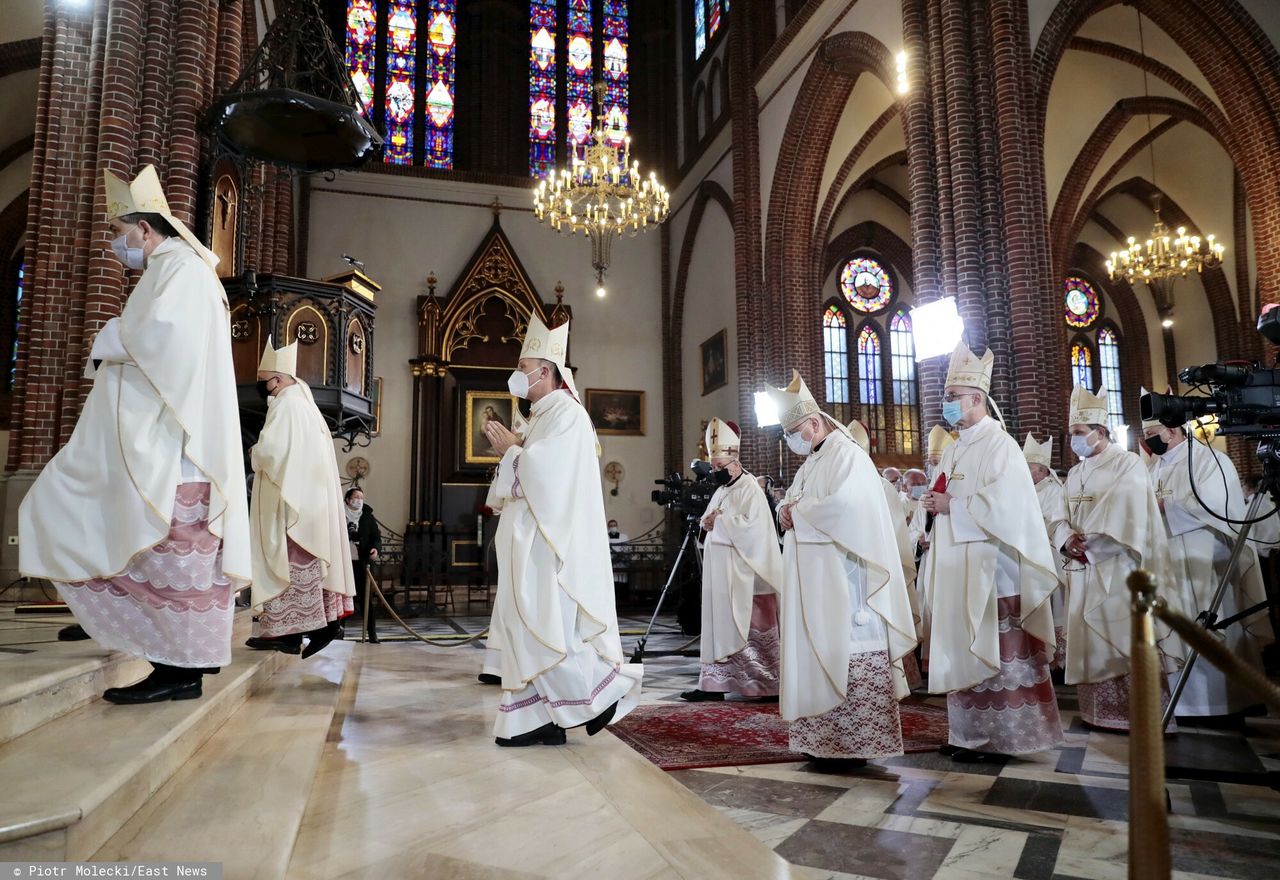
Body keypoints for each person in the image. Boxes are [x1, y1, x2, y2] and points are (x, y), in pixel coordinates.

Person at [19, 165, 251, 703]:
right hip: (165, 443)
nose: (115, 247)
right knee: (96, 524)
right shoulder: (176, 270)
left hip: (174, 448)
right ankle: (162, 655)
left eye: (120, 235)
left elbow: (163, 342)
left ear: (145, 230)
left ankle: (180, 670)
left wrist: (109, 336)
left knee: (169, 553)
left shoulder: (181, 271)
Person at [481, 314, 642, 747]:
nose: (517, 375)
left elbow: (549, 477)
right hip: (530, 539)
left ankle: (599, 693)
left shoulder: (567, 415)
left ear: (545, 371)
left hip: (549, 544)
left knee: (545, 628)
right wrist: (514, 451)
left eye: (522, 367)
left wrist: (513, 452)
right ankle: (538, 718)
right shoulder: (540, 417)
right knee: (529, 627)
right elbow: (522, 476)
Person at [915, 344, 1062, 762]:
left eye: (952, 397)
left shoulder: (1001, 445)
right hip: (960, 566)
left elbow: (1010, 505)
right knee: (965, 647)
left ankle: (1006, 738)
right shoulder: (958, 447)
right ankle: (968, 734)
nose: (945, 406)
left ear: (977, 399)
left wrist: (954, 508)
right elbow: (948, 493)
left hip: (994, 571)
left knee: (999, 652)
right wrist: (934, 501)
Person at [767, 370, 917, 770]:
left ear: (815, 423)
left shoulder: (847, 454)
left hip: (846, 584)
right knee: (818, 648)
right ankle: (822, 741)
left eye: (796, 431)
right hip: (816, 581)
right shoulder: (814, 459)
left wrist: (797, 512)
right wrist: (785, 510)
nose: (792, 441)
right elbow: (796, 503)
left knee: (846, 648)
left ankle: (853, 746)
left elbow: (848, 509)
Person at [1049, 386, 1182, 732]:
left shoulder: (1128, 464)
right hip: (1083, 569)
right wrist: (1066, 539)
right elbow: (1058, 515)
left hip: (1119, 568)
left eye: (1078, 433)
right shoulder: (1076, 473)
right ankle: (1100, 713)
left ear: (1101, 432)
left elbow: (1130, 516)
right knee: (1092, 637)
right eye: (1071, 434)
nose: (1073, 440)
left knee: (1122, 635)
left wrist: (1089, 544)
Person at [1142, 418, 1272, 720]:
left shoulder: (1209, 459)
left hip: (1205, 558)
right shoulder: (1154, 467)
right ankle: (1184, 704)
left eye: (1151, 435)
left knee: (1211, 623)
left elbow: (1217, 505)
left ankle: (1226, 703)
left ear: (1172, 430)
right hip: (1167, 559)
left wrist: (1167, 508)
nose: (1149, 442)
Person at [245, 340, 355, 659]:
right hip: (308, 503)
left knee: (286, 562)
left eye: (267, 383)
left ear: (278, 379)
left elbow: (274, 451)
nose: (267, 391)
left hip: (293, 505)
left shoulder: (286, 404)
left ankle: (292, 631)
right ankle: (296, 631)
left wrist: (256, 452)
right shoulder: (305, 403)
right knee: (297, 565)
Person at [682, 418, 783, 702]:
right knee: (718, 626)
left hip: (748, 577)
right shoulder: (722, 489)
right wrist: (708, 522)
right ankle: (714, 684)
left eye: (718, 468)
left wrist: (720, 522)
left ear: (735, 463)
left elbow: (755, 528)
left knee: (751, 628)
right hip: (722, 575)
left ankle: (763, 684)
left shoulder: (750, 488)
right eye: (713, 467)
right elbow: (707, 523)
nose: (714, 473)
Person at [850, 419, 923, 690]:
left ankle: (894, 680)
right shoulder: (840, 484)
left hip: (879, 568)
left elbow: (894, 536)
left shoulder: (883, 488)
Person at [1024, 433, 1069, 672]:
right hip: (1027, 558)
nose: (1025, 472)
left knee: (1054, 606)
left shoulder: (1054, 490)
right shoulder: (1022, 490)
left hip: (1049, 558)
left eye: (1029, 468)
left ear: (1041, 471)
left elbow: (1054, 521)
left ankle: (1058, 660)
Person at [345, 486, 382, 644]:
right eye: (355, 497)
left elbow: (376, 536)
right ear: (347, 499)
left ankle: (372, 633)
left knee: (366, 599)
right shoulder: (339, 514)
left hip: (362, 564)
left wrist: (375, 548)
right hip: (345, 564)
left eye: (361, 497)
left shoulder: (367, 516)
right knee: (342, 600)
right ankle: (337, 633)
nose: (359, 500)